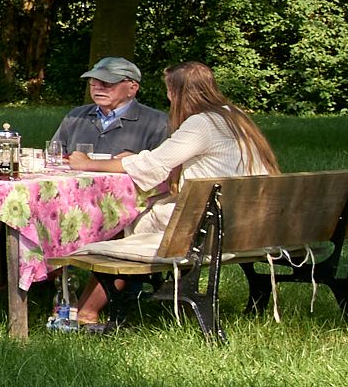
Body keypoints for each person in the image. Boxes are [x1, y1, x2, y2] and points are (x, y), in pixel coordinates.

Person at [61, 60, 277, 329]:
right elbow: (168, 159)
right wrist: (141, 158)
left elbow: (153, 166)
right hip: (246, 222)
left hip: (205, 226)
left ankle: (85, 311)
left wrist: (88, 164)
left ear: (178, 92)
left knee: (121, 218)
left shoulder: (202, 123)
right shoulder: (234, 117)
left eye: (169, 90)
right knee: (136, 211)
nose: (168, 97)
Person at [53, 56, 169, 161]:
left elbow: (164, 169)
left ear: (132, 88)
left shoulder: (157, 123)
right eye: (93, 82)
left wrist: (138, 161)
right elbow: (53, 156)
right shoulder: (75, 116)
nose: (98, 88)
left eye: (107, 83)